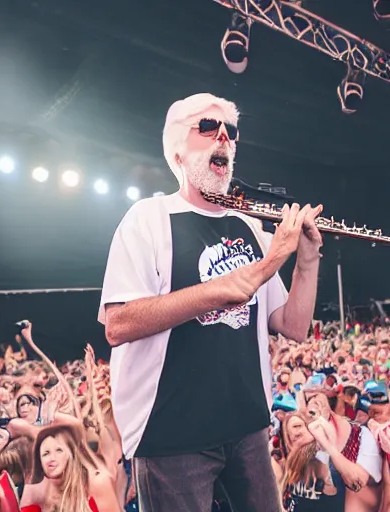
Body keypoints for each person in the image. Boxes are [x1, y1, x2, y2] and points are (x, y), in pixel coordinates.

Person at [99, 93, 323, 511]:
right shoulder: (148, 218)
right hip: (172, 436)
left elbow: (292, 325)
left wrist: (306, 260)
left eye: (230, 132)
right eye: (207, 127)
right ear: (177, 150)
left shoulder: (247, 226)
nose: (223, 137)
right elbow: (119, 324)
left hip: (249, 427)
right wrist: (254, 270)